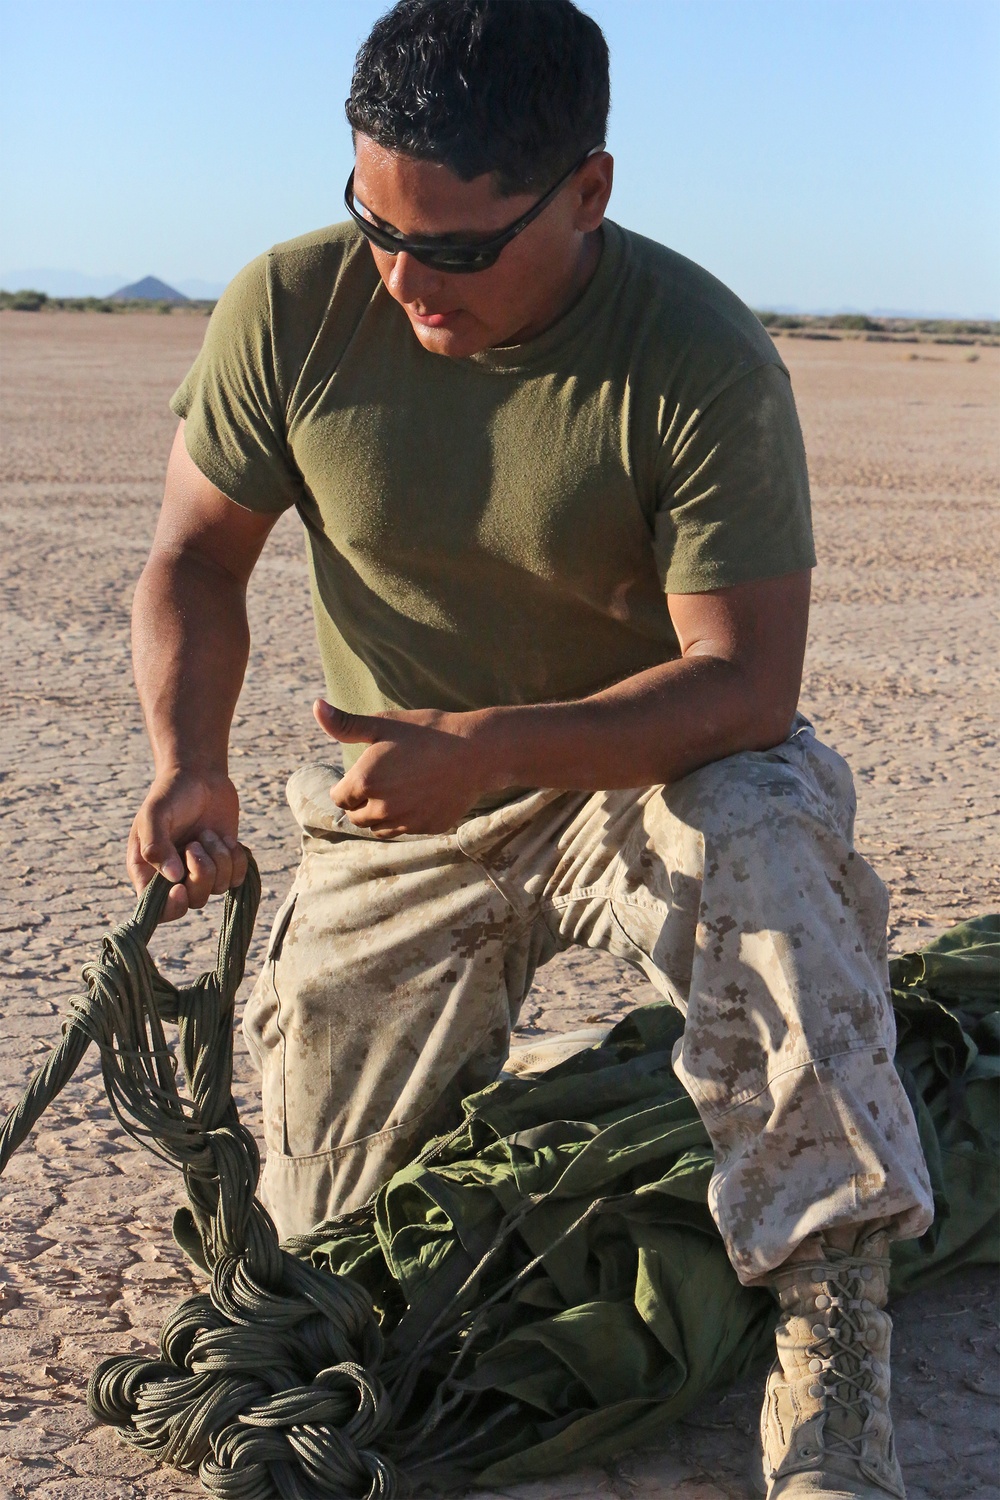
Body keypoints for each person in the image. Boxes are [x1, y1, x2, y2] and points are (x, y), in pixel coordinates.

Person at [127, 2, 932, 1495]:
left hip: (639, 773)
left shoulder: (698, 357)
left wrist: (499, 748)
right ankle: (594, 1067)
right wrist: (189, 757)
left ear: (588, 191)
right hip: (400, 802)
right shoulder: (291, 310)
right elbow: (193, 558)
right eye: (374, 223)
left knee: (764, 823)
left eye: (458, 249)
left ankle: (831, 1344)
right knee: (341, 1253)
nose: (404, 279)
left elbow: (747, 685)